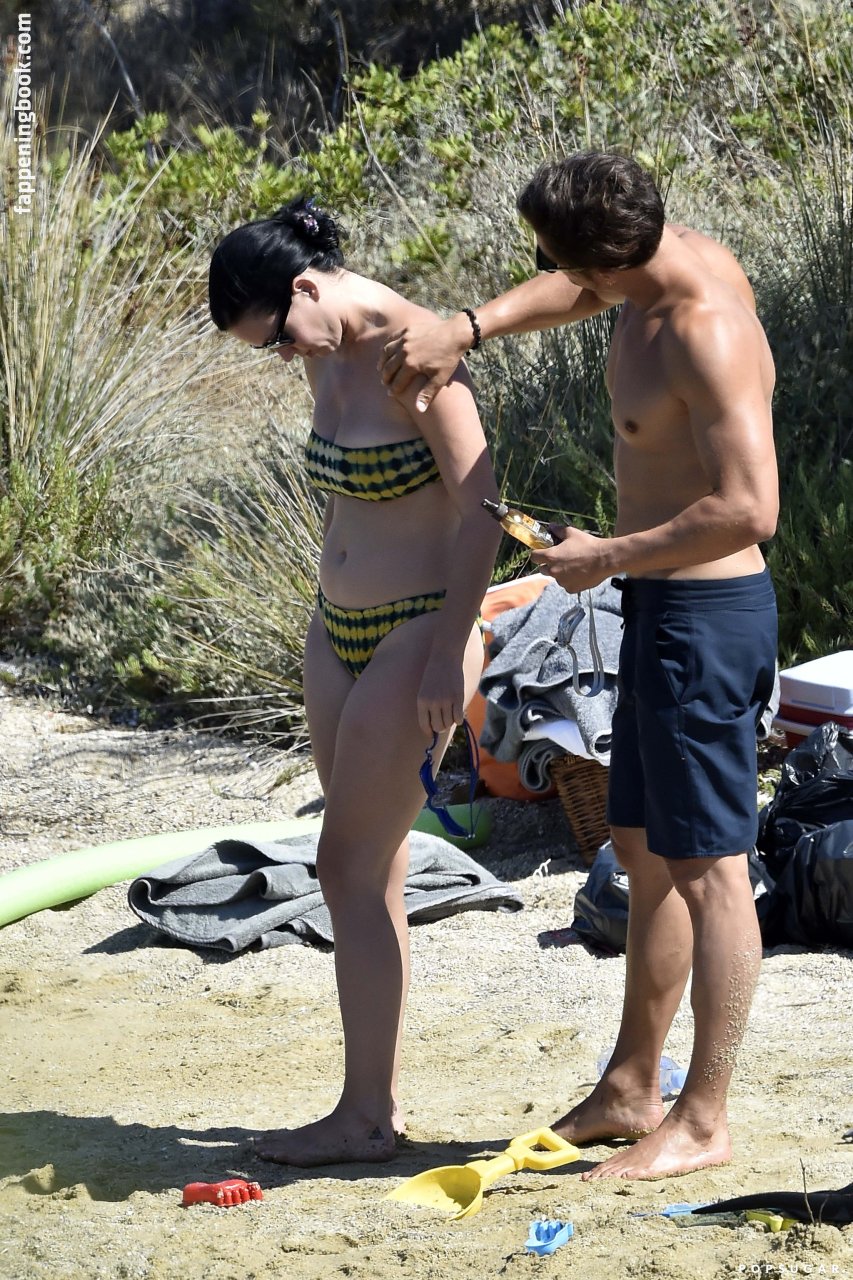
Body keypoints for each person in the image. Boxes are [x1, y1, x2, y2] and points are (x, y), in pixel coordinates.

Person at [378, 151, 779, 1181]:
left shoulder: (702, 325)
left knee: (710, 871)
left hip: (703, 619)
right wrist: (468, 326)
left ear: (602, 262)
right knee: (641, 852)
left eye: (556, 261)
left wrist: (606, 555)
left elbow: (751, 507)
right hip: (656, 605)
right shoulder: (645, 274)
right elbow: (573, 291)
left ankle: (704, 1117)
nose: (552, 278)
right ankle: (632, 1085)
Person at [209, 197, 501, 1166]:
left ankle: (365, 1116)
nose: (282, 355)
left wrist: (449, 650)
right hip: (336, 631)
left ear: (303, 287)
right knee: (367, 867)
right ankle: (374, 1103)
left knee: (344, 865)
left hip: (419, 630)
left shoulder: (413, 356)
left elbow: (484, 516)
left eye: (276, 336)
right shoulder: (324, 348)